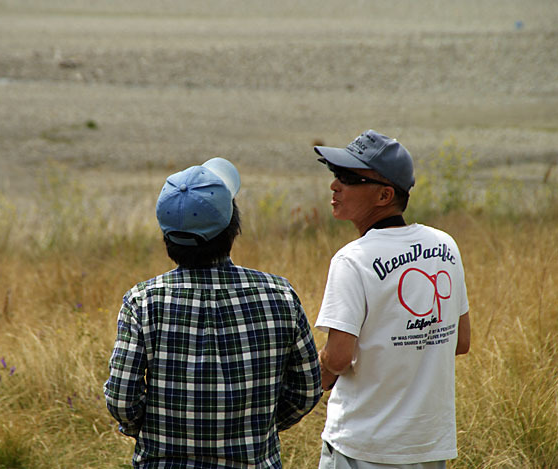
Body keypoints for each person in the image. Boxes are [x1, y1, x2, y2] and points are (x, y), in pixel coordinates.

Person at [104, 157, 323, 468]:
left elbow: (122, 398)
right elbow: (306, 389)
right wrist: (260, 428)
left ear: (167, 235)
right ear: (232, 227)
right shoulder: (280, 294)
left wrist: (149, 431)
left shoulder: (142, 302)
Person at [312, 130, 471, 468]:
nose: (335, 186)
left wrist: (305, 386)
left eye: (349, 178)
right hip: (429, 446)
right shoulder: (445, 246)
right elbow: (461, 340)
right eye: (335, 175)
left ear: (384, 195)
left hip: (362, 447)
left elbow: (338, 358)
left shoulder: (352, 259)